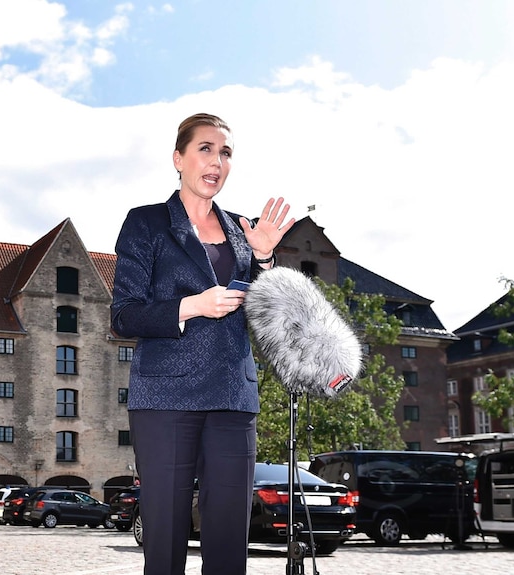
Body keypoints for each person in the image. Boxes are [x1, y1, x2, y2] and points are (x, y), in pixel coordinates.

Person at [110, 112, 295, 575]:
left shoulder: (242, 229)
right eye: (205, 149)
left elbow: (265, 313)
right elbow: (122, 316)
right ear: (179, 158)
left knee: (231, 538)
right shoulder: (147, 224)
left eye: (225, 152)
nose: (216, 160)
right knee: (167, 538)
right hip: (166, 397)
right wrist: (191, 305)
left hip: (233, 394)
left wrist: (265, 259)